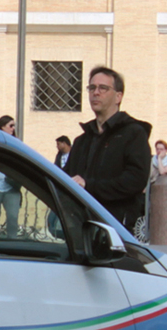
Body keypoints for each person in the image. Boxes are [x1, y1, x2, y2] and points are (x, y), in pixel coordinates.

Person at [65, 66, 152, 234]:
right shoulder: (81, 140)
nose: (95, 93)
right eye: (92, 88)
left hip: (116, 227)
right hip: (80, 226)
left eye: (103, 88)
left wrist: (89, 186)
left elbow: (135, 180)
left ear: (118, 96)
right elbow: (68, 177)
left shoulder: (133, 133)